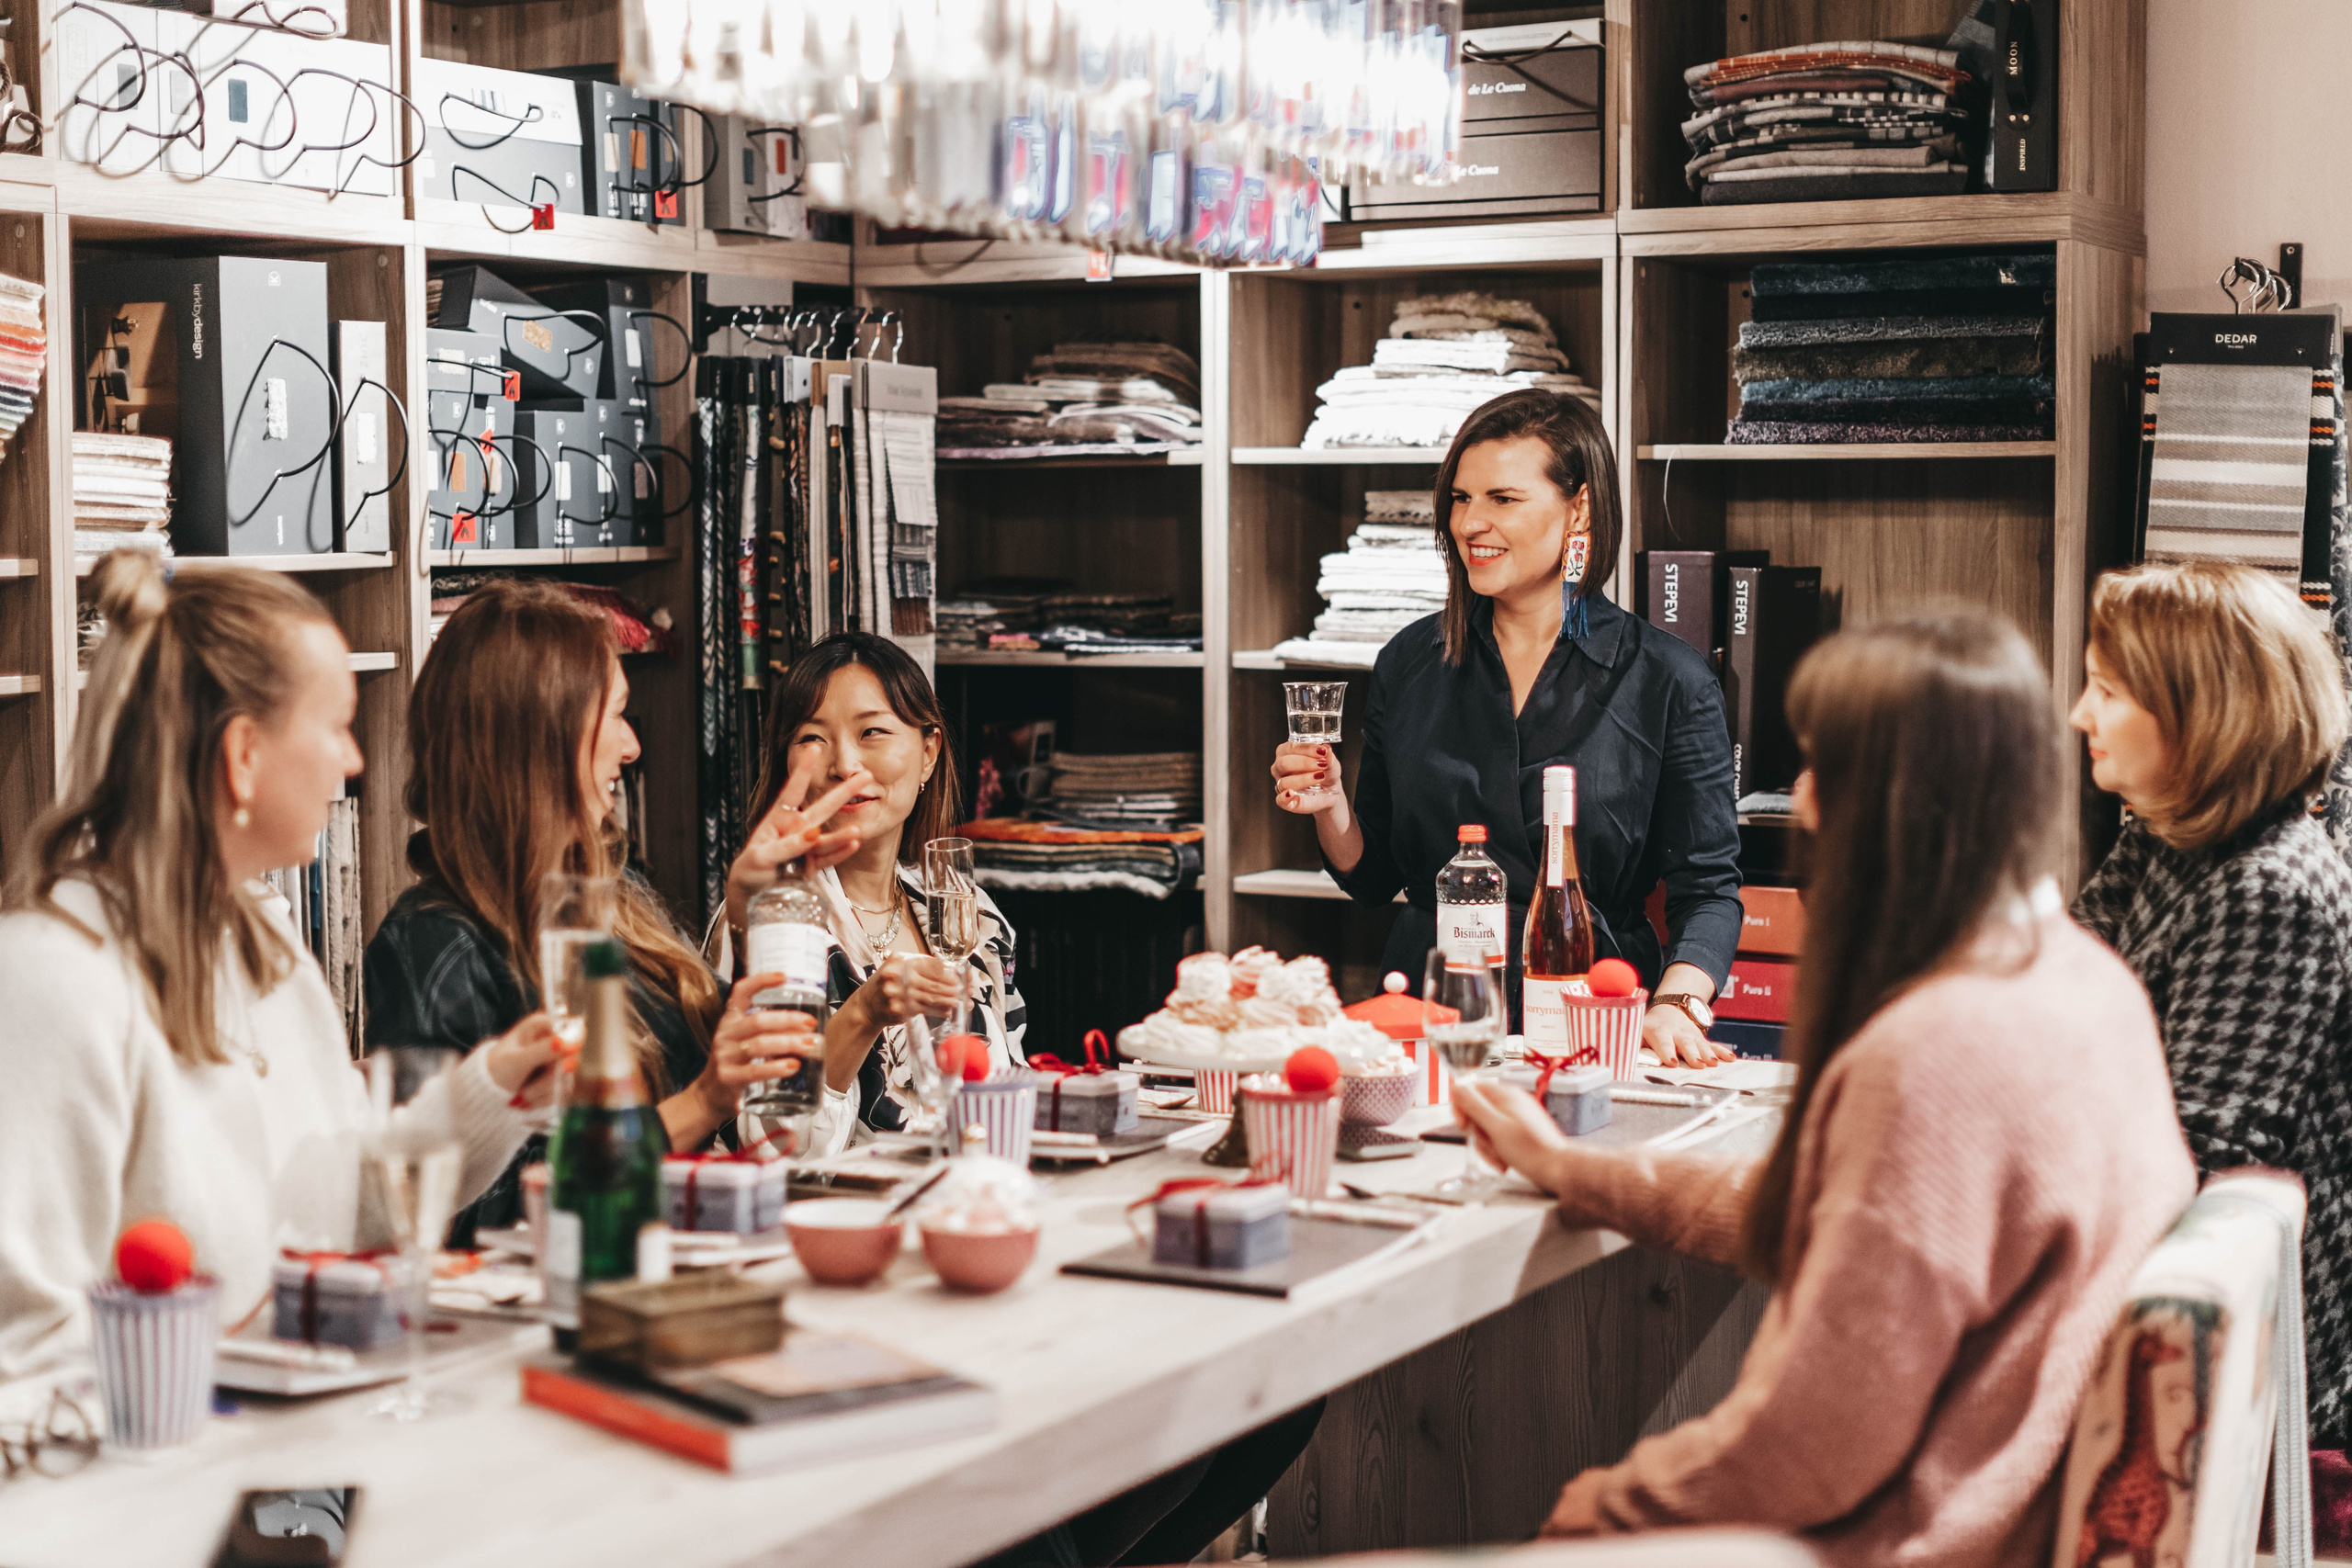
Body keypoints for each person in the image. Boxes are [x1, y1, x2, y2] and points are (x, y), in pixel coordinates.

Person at [1453, 608, 2195, 1564]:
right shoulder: (2085, 981)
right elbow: (1831, 1205)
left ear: (1893, 803)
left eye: (1821, 767)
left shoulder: (1939, 1053)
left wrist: (1596, 1512)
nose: (1801, 801)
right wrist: (1572, 1170)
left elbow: (1811, 1447)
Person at [0, 555, 566, 1376]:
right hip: (174, 1455)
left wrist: (495, 1086)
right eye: (337, 725)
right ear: (243, 754)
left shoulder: (267, 947)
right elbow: (24, 1349)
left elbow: (342, 1207)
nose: (354, 761)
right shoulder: (49, 979)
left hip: (309, 1433)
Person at [365, 580, 860, 1237]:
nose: (632, 746)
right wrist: (699, 1104)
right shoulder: (431, 942)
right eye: (618, 714)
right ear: (543, 738)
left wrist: (754, 910)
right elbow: (458, 1211)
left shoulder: (611, 889)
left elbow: (738, 1078)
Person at [1273, 389, 1737, 1066]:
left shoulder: (1668, 677)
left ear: (1579, 507)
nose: (1470, 523)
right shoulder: (1409, 660)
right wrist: (1330, 803)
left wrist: (1676, 1003)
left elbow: (1709, 890)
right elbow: (1371, 878)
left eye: (1503, 498)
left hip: (1590, 1014)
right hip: (1431, 1020)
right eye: (1461, 498)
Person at [2070, 561, 2352, 1446]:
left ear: (2202, 714)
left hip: (2246, 1361)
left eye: (2107, 691)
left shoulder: (2269, 890)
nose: (2080, 714)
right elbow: (2054, 993)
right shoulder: (2170, 834)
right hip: (2145, 1278)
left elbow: (2193, 1163)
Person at [717, 631, 1023, 1155]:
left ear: (928, 753)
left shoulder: (968, 913)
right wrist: (863, 1013)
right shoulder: (774, 918)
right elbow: (773, 1148)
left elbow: (1009, 1091)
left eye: (872, 732)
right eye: (813, 738)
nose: (844, 764)